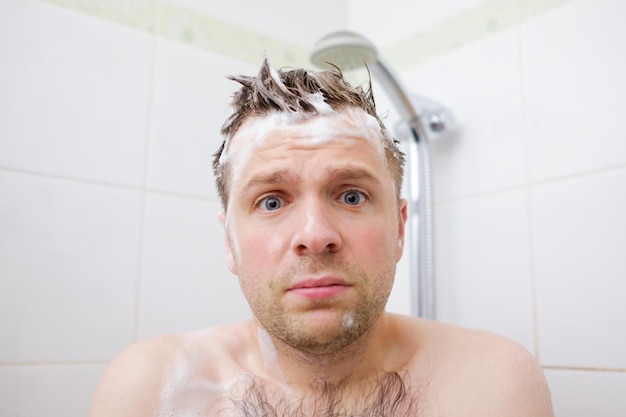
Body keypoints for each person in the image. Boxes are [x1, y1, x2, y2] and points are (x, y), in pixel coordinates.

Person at [88, 58, 554, 417]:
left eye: (351, 196)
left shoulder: (495, 385)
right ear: (229, 242)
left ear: (398, 228)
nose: (315, 235)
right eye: (272, 201)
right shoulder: (152, 390)